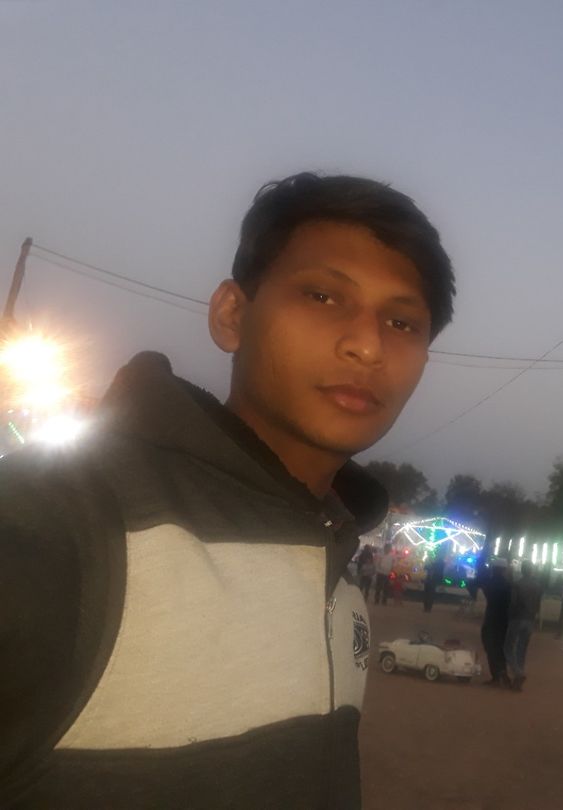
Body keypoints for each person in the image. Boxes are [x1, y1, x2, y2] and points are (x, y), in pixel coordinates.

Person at [0, 172, 455, 807]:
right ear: (232, 315)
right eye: (323, 296)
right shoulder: (65, 526)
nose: (366, 345)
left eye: (402, 322)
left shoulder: (339, 562)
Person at [504, 561, 544, 691]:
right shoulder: (537, 586)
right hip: (530, 619)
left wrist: (509, 616)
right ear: (531, 571)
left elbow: (513, 602)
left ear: (521, 570)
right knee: (522, 649)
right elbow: (538, 604)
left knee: (508, 648)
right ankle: (519, 675)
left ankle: (518, 672)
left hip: (517, 618)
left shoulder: (517, 584)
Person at [479, 558, 512, 687]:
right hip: (503, 620)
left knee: (490, 646)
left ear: (493, 569)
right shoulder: (508, 585)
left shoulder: (489, 583)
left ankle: (496, 676)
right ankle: (502, 671)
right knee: (500, 647)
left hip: (491, 618)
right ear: (504, 570)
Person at [422, 549, 445, 613]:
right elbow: (426, 567)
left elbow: (434, 568)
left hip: (432, 580)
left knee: (429, 594)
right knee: (428, 594)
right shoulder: (437, 562)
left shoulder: (440, 563)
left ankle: (427, 608)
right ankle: (427, 608)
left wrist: (430, 563)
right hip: (430, 579)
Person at [374, 541, 395, 606]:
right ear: (385, 548)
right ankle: (376, 600)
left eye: (389, 548)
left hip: (387, 574)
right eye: (387, 548)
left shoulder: (392, 557)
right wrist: (377, 570)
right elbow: (377, 563)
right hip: (380, 573)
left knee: (386, 588)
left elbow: (393, 565)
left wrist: (391, 572)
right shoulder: (380, 555)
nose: (388, 549)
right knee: (378, 588)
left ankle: (384, 601)